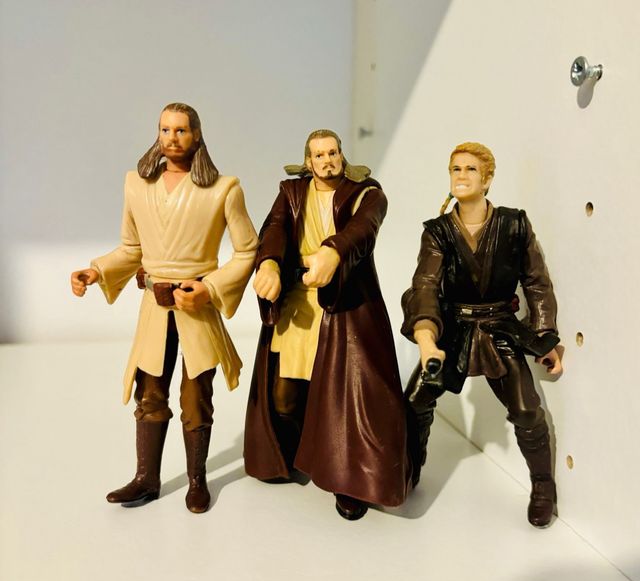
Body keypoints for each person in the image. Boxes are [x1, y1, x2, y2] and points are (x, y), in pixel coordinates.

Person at [70, 103, 258, 513]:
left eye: (181, 130)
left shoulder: (224, 189)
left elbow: (247, 251)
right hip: (154, 308)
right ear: (158, 133)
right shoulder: (137, 185)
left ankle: (197, 480)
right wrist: (97, 271)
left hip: (196, 307)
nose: (172, 138)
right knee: (150, 391)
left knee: (196, 396)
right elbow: (131, 248)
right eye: (165, 130)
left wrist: (209, 288)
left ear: (196, 135)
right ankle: (146, 478)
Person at [244, 129, 409, 520]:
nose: (328, 160)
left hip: (347, 304)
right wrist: (269, 263)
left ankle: (347, 477)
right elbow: (275, 228)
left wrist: (334, 253)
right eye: (319, 155)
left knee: (347, 395)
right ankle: (302, 452)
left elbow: (362, 229)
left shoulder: (366, 193)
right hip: (299, 303)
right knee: (285, 395)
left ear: (341, 154)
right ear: (308, 161)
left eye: (333, 152)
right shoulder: (291, 192)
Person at [401, 142, 562, 528]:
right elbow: (425, 286)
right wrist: (427, 339)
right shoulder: (438, 231)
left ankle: (543, 485)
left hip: (499, 327)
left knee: (526, 409)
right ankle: (411, 468)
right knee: (415, 399)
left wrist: (544, 337)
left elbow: (536, 282)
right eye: (455, 169)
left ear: (487, 179)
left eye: (470, 169)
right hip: (453, 328)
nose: (461, 175)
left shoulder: (514, 224)